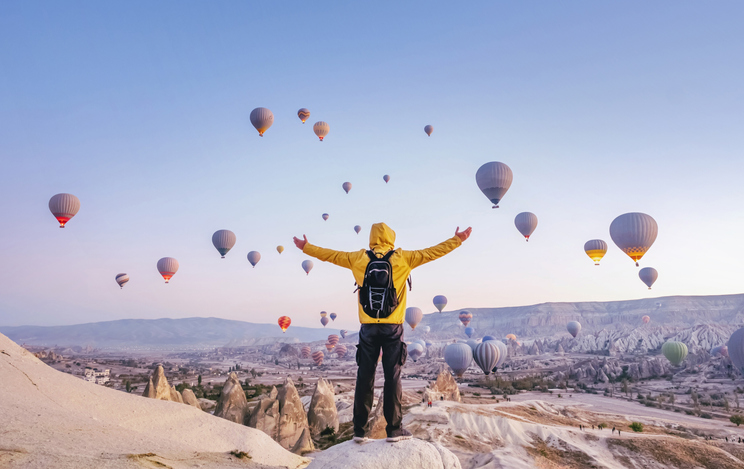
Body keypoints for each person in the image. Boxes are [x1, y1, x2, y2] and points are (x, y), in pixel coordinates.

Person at [294, 223, 471, 443]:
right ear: (391, 238)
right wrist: (457, 240)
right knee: (392, 378)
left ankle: (359, 431)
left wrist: (306, 247)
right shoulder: (403, 257)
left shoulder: (358, 258)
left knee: (364, 377)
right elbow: (433, 252)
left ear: (371, 238)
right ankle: (394, 430)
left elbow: (330, 255)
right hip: (393, 328)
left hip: (368, 328)